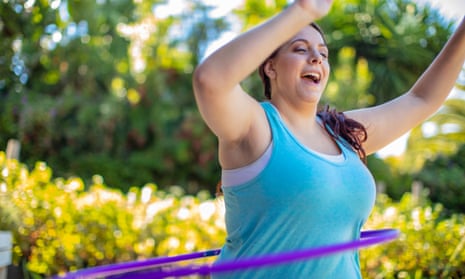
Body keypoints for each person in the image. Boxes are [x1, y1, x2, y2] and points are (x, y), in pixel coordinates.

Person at [192, 0, 465, 277]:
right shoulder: (254, 127)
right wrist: (303, 11)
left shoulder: (344, 134)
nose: (316, 59)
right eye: (300, 49)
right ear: (270, 68)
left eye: (323, 54)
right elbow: (210, 80)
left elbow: (421, 99)